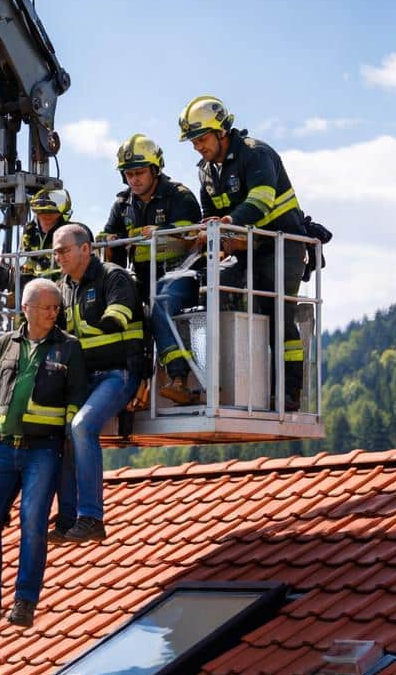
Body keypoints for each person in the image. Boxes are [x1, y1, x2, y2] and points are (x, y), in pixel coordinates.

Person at [0, 278, 86, 629]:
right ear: (26, 309)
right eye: (46, 307)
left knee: (33, 524)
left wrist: (68, 438)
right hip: (3, 449)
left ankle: (24, 603)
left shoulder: (69, 347)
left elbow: (77, 396)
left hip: (44, 451)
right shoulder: (5, 344)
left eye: (56, 307)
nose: (53, 313)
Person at [167, 94, 311, 409]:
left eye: (201, 138)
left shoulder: (256, 154)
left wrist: (228, 224)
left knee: (278, 315)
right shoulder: (206, 171)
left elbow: (260, 202)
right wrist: (212, 234)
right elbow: (210, 214)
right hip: (246, 249)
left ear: (221, 131)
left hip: (283, 245)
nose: (197, 146)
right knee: (211, 291)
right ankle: (224, 382)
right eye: (192, 142)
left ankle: (288, 393)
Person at [47, 223, 141, 543]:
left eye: (64, 250)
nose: (58, 257)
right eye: (55, 252)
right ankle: (67, 518)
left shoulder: (114, 277)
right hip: (85, 378)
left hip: (119, 373)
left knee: (82, 426)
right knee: (61, 429)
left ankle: (91, 517)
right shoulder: (63, 287)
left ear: (86, 249)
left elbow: (116, 319)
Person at [100, 134, 203, 305]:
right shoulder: (122, 205)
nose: (134, 180)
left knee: (161, 307)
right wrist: (108, 239)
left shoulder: (179, 196)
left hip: (181, 274)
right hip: (140, 278)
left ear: (155, 170)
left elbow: (192, 235)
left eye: (140, 172)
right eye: (129, 174)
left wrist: (160, 232)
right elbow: (106, 235)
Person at [20, 187, 72, 280]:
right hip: (33, 285)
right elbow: (24, 263)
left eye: (51, 212)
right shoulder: (29, 234)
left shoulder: (73, 233)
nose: (46, 216)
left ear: (61, 214)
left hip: (63, 284)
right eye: (41, 212)